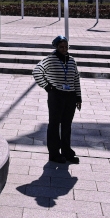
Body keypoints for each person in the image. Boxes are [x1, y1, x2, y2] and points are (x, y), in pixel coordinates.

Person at [32, 35, 82, 164]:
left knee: (67, 125)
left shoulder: (71, 60)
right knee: (54, 125)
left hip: (70, 96)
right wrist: (48, 87)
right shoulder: (50, 59)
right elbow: (37, 72)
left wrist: (78, 97)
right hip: (56, 95)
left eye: (66, 47)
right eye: (61, 47)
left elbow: (76, 79)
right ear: (56, 47)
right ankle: (54, 153)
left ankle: (66, 151)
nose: (64, 49)